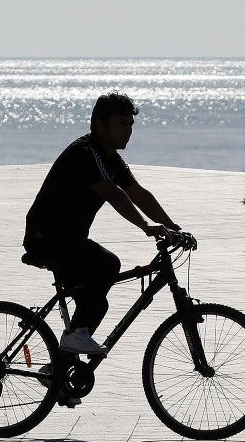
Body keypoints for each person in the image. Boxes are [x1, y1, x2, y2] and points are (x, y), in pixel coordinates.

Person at [24, 92, 178, 356]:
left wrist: (174, 228)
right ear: (99, 124)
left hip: (68, 239)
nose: (128, 131)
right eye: (121, 124)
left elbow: (138, 193)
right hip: (47, 238)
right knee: (106, 264)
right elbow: (114, 193)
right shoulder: (85, 153)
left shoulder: (110, 158)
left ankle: (61, 367)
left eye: (131, 124)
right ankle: (75, 338)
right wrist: (147, 227)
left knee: (96, 303)